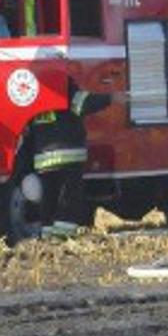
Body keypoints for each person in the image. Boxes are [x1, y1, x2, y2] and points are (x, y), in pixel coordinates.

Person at [20, 81, 111, 239]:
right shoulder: (61, 81)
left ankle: (47, 236)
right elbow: (82, 104)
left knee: (49, 199)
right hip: (69, 156)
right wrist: (110, 98)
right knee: (68, 199)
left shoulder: (34, 88)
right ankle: (63, 238)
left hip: (44, 158)